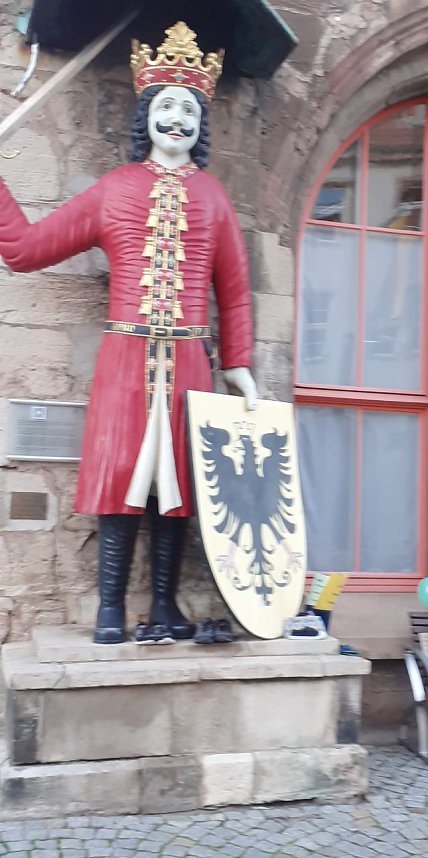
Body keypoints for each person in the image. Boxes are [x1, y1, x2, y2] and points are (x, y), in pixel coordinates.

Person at [0, 22, 256, 643]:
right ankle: (110, 608)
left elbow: (236, 291)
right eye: (166, 105)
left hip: (191, 360)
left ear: (201, 124)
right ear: (147, 115)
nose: (177, 118)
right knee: (122, 477)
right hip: (125, 353)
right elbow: (26, 248)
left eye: (188, 108)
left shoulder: (214, 198)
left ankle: (164, 605)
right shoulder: (113, 189)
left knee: (180, 487)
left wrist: (240, 368)